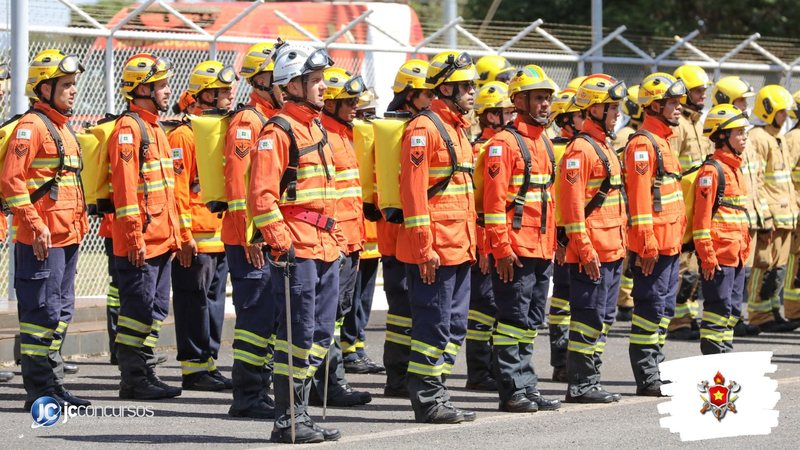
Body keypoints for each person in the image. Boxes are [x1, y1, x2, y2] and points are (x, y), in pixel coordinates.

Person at [249, 41, 343, 444]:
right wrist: (279, 241)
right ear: (294, 84)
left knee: (320, 334)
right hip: (297, 248)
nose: (323, 87)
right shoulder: (278, 130)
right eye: (315, 80)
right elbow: (262, 196)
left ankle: (300, 412)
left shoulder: (315, 125)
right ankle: (288, 418)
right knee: (297, 335)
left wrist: (336, 236)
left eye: (322, 79)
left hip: (324, 245)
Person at [1, 49, 90, 408]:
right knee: (41, 315)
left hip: (66, 236)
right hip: (42, 239)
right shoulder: (32, 126)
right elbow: (11, 181)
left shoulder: (63, 128)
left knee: (60, 310)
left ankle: (53, 383)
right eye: (66, 85)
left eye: (73, 85)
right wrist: (35, 225)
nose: (72, 91)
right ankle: (39, 390)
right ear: (45, 88)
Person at [397, 50, 477, 424]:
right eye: (466, 86)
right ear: (445, 88)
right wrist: (424, 247)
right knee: (434, 323)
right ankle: (427, 399)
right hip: (434, 249)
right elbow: (413, 194)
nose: (473, 92)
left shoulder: (459, 128)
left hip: (459, 245)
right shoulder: (422, 129)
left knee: (454, 324)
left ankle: (438, 390)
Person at [482, 65, 562, 413]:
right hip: (515, 249)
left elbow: (549, 198)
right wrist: (500, 249)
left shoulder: (543, 141)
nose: (545, 105)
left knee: (530, 320)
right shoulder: (503, 144)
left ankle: (527, 386)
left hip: (541, 247)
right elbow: (494, 202)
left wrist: (554, 242)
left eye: (547, 99)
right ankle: (512, 389)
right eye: (539, 98)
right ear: (519, 100)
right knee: (513, 319)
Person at [110, 52, 181, 400]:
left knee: (154, 309)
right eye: (161, 84)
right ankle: (133, 378)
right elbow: (125, 191)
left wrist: (179, 235)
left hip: (161, 239)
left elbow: (168, 190)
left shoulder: (156, 128)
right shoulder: (130, 128)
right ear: (142, 89)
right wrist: (134, 235)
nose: (168, 90)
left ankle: (144, 371)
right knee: (137, 311)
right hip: (141, 241)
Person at [223, 42, 283, 419]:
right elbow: (238, 183)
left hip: (261, 235)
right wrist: (254, 235)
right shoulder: (248, 121)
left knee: (268, 314)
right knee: (255, 317)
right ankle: (247, 395)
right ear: (262, 79)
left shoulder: (272, 118)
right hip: (249, 238)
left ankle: (259, 389)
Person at [559, 74, 627, 404]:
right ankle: (581, 383)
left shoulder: (604, 146)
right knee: (587, 316)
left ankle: (592, 377)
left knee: (603, 317)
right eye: (612, 107)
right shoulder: (581, 150)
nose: (617, 113)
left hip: (611, 247)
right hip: (593, 251)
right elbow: (572, 208)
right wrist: (584, 248)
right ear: (595, 109)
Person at [168, 60, 235, 391]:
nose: (229, 97)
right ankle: (194, 370)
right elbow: (178, 188)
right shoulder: (184, 134)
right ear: (204, 95)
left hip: (219, 235)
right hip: (195, 236)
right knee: (193, 301)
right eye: (222, 91)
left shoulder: (219, 131)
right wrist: (183, 235)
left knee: (213, 303)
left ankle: (208, 364)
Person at [309, 66, 372, 407]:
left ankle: (328, 384)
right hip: (335, 242)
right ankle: (328, 385)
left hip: (350, 240)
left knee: (335, 317)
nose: (354, 106)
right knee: (327, 319)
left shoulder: (343, 134)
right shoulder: (326, 136)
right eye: (347, 101)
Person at [624, 73, 686, 396]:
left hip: (669, 243)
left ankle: (657, 367)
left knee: (664, 311)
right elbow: (639, 197)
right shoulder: (643, 144)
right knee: (649, 309)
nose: (679, 108)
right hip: (654, 246)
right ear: (655, 105)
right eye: (673, 103)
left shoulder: (664, 141)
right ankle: (647, 374)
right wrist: (646, 240)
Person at [380, 59, 435, 398]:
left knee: (409, 312)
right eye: (426, 93)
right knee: (403, 311)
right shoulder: (405, 130)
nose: (432, 99)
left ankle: (400, 376)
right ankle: (398, 377)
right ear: (410, 96)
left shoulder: (413, 127)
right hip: (398, 236)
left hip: (405, 235)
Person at [464, 81, 514, 392]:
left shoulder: (509, 146)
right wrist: (484, 245)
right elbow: (477, 204)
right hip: (486, 241)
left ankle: (495, 367)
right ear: (489, 116)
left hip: (504, 239)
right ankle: (479, 371)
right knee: (482, 308)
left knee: (498, 309)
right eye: (505, 112)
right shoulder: (478, 150)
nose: (512, 117)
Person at [694, 104, 752, 353]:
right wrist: (707, 256)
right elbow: (701, 219)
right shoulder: (712, 170)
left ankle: (724, 357)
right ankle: (714, 360)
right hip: (718, 257)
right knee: (718, 310)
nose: (744, 137)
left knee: (731, 310)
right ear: (722, 136)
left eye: (744, 132)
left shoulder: (734, 168)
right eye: (738, 132)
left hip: (736, 254)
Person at [711, 76, 763, 336]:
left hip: (743, 215)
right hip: (722, 226)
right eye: (742, 100)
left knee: (741, 273)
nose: (746, 105)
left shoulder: (742, 134)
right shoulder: (719, 134)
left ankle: (734, 317)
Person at [746, 85, 800, 332]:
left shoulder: (777, 138)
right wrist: (765, 216)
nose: (785, 117)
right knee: (763, 265)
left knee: (777, 269)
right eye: (781, 112)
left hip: (787, 215)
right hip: (772, 217)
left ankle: (770, 311)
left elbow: (785, 179)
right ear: (768, 110)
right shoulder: (758, 139)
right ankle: (758, 315)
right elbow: (756, 180)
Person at [668, 64, 713, 341]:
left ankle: (687, 315)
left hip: (697, 205)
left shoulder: (697, 122)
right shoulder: (679, 127)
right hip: (682, 206)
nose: (702, 96)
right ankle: (676, 321)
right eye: (697, 91)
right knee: (683, 268)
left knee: (694, 268)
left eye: (703, 91)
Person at [547, 85, 583, 383]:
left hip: (580, 234)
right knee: (563, 299)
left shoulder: (585, 148)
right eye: (579, 115)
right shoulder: (559, 149)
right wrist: (559, 237)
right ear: (566, 120)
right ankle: (562, 360)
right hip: (563, 238)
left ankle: (571, 360)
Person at [612, 85, 644, 323]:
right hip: (626, 198)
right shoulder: (625, 135)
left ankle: (627, 298)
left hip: (635, 198)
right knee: (626, 255)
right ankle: (624, 301)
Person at [783, 90, 800, 326]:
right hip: (796, 207)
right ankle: (793, 309)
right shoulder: (794, 138)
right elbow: (784, 175)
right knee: (795, 260)